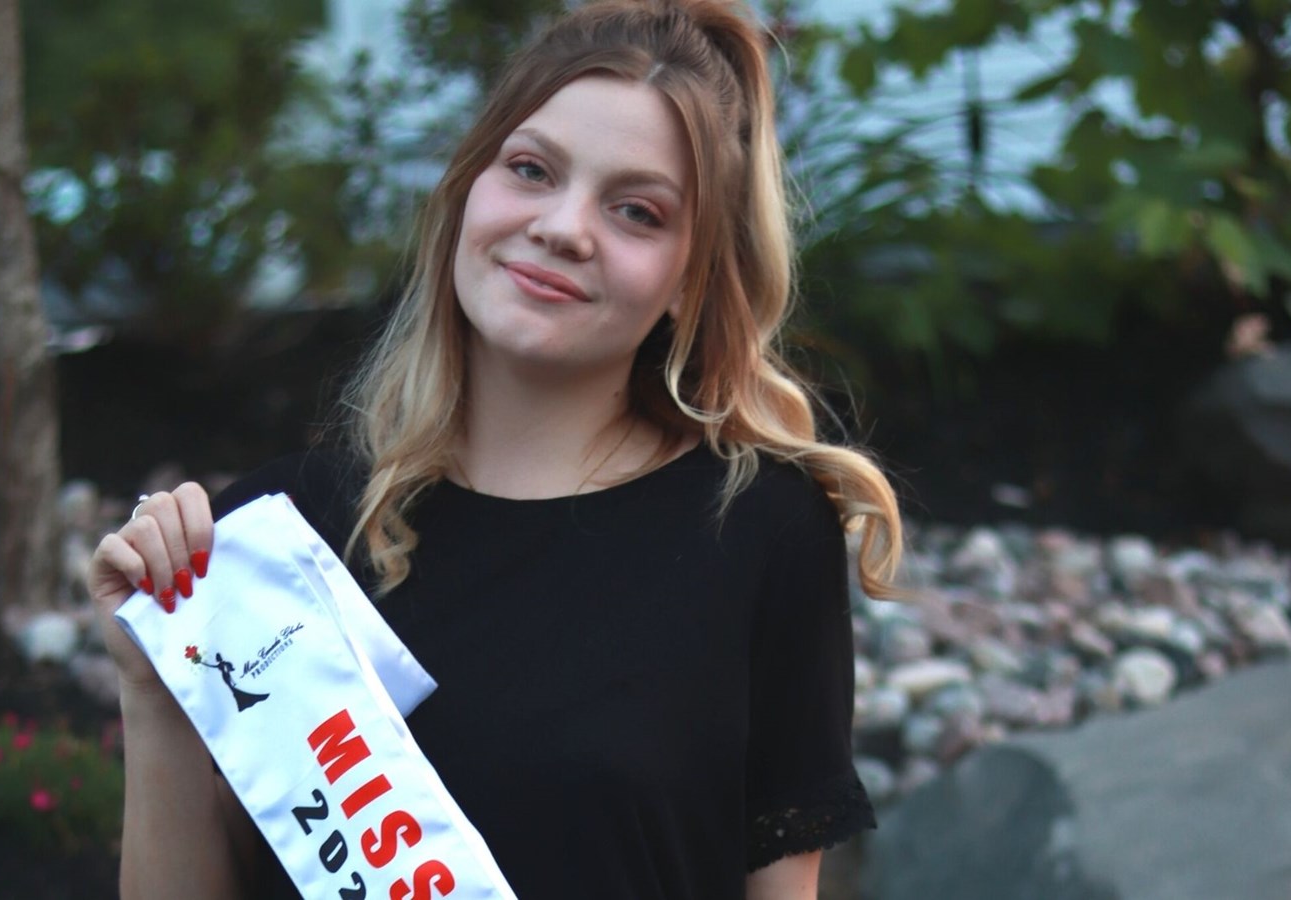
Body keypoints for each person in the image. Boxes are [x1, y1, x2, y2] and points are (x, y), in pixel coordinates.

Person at [87, 1, 904, 896]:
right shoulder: (279, 542)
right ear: (467, 188)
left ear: (691, 278)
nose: (563, 227)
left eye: (637, 211)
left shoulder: (759, 532)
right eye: (531, 170)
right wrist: (155, 687)